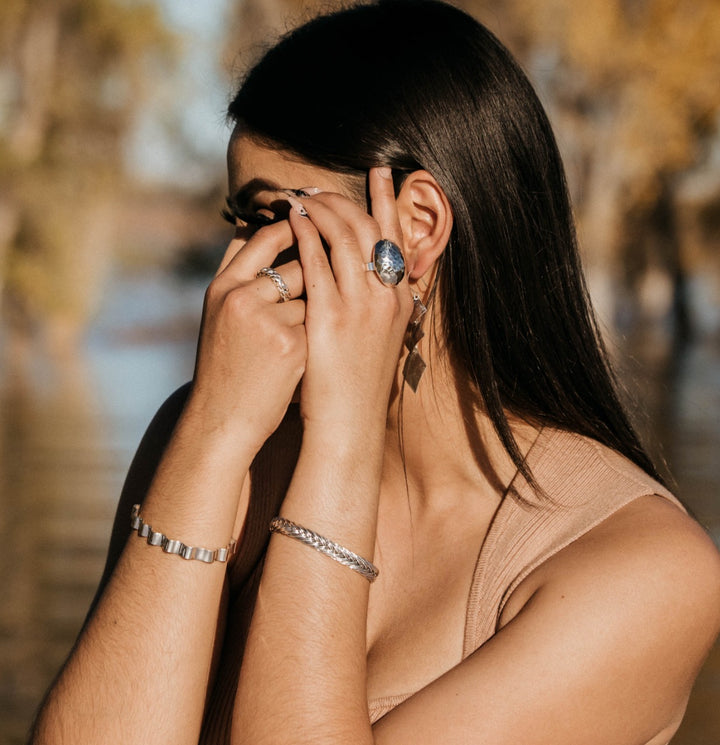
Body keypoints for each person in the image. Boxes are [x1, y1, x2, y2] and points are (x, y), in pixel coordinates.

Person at [30, 1, 720, 743]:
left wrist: (342, 439)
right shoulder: (215, 441)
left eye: (268, 218)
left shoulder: (644, 572)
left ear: (415, 226)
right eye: (236, 224)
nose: (235, 274)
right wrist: (210, 434)